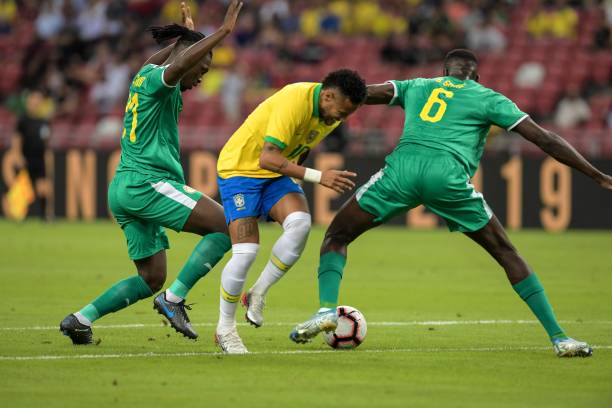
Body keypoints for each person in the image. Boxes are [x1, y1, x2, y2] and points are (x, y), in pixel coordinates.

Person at [290, 49, 612, 358]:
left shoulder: (417, 85)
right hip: (447, 178)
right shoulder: (488, 97)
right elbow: (544, 138)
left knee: (337, 236)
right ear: (476, 77)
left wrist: (310, 99)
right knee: (506, 253)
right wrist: (597, 175)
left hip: (401, 173)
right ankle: (560, 338)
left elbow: (361, 93)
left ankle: (326, 310)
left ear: (443, 72)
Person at [59, 1, 244, 345]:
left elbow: (175, 59)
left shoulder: (144, 75)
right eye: (202, 68)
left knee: (151, 277)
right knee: (226, 225)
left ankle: (81, 319)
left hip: (124, 187)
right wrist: (223, 32)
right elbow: (180, 64)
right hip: (148, 183)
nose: (201, 77)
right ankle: (174, 300)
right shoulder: (161, 81)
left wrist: (186, 38)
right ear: (186, 61)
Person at [212, 69, 367, 353]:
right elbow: (267, 157)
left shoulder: (329, 114)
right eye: (342, 112)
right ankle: (225, 329)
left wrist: (294, 177)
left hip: (275, 176)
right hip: (240, 171)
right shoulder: (294, 100)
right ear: (328, 96)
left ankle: (257, 293)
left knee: (300, 224)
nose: (341, 119)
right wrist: (319, 176)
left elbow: (301, 147)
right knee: (246, 252)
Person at [12, 89, 53, 220]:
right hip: (26, 157)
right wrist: (18, 155)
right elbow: (17, 139)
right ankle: (19, 215)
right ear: (29, 101)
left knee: (43, 187)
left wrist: (47, 156)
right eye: (34, 99)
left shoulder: (44, 121)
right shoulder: (23, 120)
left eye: (38, 99)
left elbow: (46, 142)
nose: (36, 102)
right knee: (23, 187)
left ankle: (45, 215)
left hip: (39, 159)